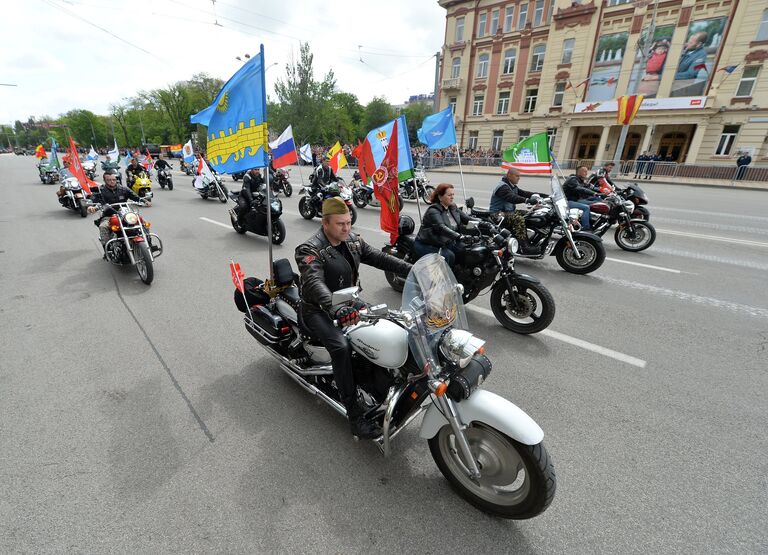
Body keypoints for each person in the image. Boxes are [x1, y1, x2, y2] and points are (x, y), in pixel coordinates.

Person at [295, 197, 412, 439]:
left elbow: (380, 259)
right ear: (325, 223)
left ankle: (383, 381)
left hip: (348, 303)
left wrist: (413, 270)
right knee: (341, 347)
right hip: (317, 309)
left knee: (390, 323)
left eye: (348, 222)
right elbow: (314, 283)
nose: (347, 228)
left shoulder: (353, 241)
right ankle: (354, 415)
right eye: (340, 224)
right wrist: (334, 308)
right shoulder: (309, 250)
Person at [414, 183, 477, 267]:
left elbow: (468, 219)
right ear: (440, 197)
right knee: (449, 255)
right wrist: (459, 236)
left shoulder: (452, 208)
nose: (452, 197)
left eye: (453, 195)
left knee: (465, 250)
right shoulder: (433, 211)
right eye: (449, 195)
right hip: (428, 244)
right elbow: (441, 227)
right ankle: (442, 279)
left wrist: (487, 224)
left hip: (445, 242)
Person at [87, 172, 149, 252]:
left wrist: (144, 201)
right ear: (104, 180)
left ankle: (148, 243)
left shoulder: (123, 189)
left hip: (125, 214)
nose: (112, 181)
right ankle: (107, 249)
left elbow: (135, 197)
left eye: (113, 179)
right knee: (103, 227)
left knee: (143, 223)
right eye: (109, 180)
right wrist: (91, 206)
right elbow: (93, 198)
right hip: (109, 215)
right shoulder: (100, 191)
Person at [489, 168, 547, 250]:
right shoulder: (503, 187)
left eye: (519, 176)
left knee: (529, 214)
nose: (519, 178)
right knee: (518, 219)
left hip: (508, 212)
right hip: (497, 214)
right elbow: (512, 198)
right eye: (517, 176)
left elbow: (524, 193)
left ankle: (529, 237)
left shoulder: (512, 186)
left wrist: (544, 196)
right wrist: (527, 200)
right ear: (509, 175)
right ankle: (524, 246)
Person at [563, 165, 602, 231]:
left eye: (587, 172)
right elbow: (580, 189)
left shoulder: (580, 180)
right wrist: (593, 193)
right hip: (568, 201)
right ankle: (586, 228)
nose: (586, 173)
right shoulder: (572, 179)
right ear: (578, 172)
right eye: (585, 171)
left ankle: (593, 221)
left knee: (598, 200)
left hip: (577, 200)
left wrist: (602, 190)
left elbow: (589, 187)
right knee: (586, 207)